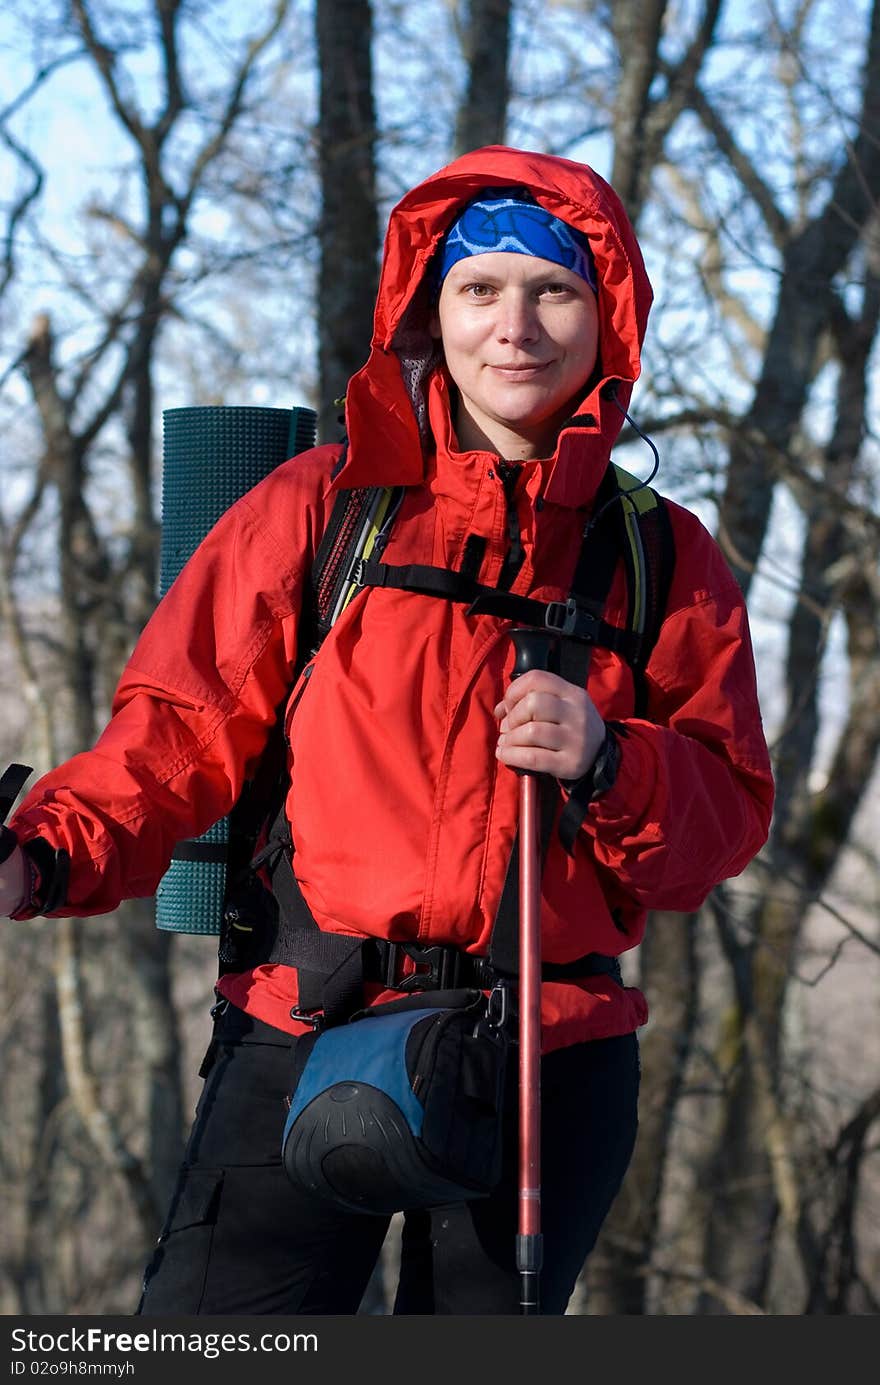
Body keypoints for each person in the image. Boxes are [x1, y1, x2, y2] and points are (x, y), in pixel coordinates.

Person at [0, 145, 774, 1315]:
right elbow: (173, 734)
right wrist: (43, 851)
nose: (514, 325)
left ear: (607, 318)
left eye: (554, 289)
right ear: (429, 310)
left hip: (545, 1058)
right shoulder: (324, 506)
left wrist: (613, 759)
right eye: (479, 290)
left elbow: (717, 824)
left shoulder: (661, 554)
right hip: (302, 1023)